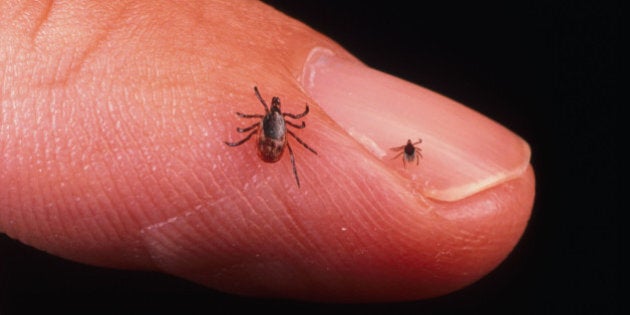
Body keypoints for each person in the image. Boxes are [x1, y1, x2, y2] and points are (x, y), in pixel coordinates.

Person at [0, 1, 535, 301]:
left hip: (274, 145)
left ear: (268, 122)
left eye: (271, 116)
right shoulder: (282, 125)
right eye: (271, 117)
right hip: (281, 148)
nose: (274, 117)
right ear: (271, 123)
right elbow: (288, 125)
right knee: (291, 148)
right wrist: (266, 130)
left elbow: (273, 121)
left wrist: (257, 125)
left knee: (278, 145)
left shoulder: (270, 122)